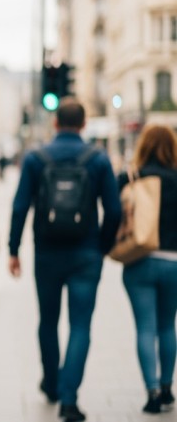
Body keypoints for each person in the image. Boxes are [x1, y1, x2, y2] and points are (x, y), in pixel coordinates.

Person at [7, 97, 121, 422]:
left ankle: (52, 383)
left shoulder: (35, 158)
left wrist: (13, 250)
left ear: (55, 124)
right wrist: (103, 245)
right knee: (81, 325)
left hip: (47, 252)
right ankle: (69, 400)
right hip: (87, 253)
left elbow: (19, 207)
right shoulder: (98, 159)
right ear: (84, 125)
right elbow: (113, 210)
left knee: (47, 320)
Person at [116, 124, 177, 414]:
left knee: (145, 328)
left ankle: (151, 392)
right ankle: (167, 388)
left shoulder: (130, 177)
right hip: (174, 263)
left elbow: (115, 213)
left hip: (139, 261)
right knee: (167, 326)